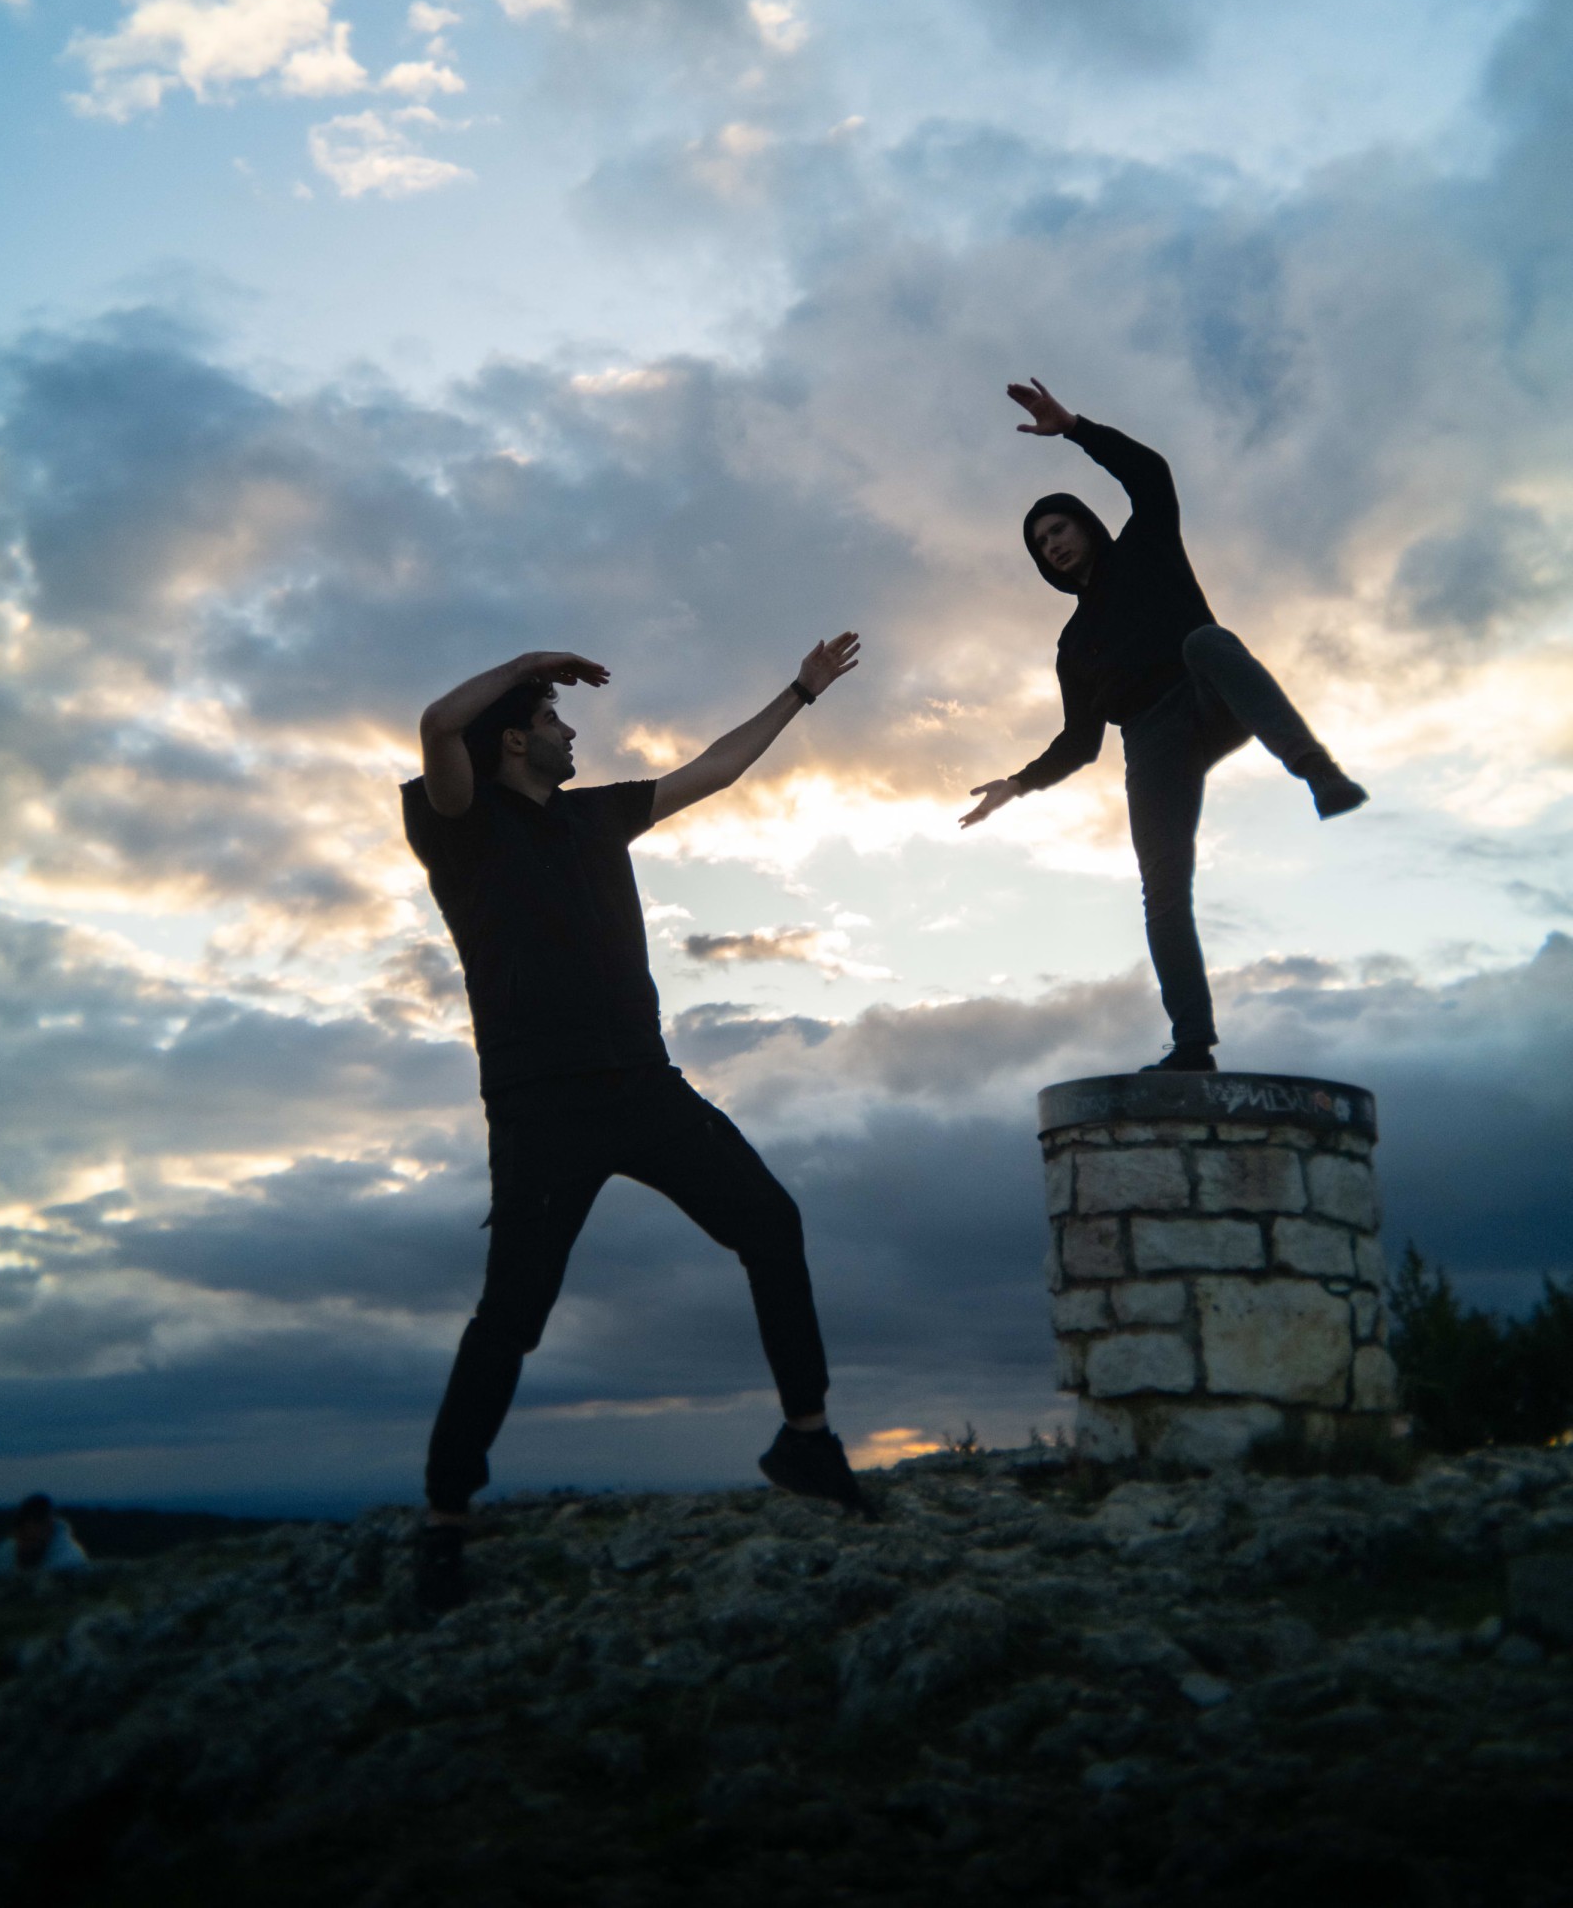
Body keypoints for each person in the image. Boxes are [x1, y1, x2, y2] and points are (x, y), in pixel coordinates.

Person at [402, 637, 872, 1609]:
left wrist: (799, 692)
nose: (571, 733)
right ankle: (445, 1520)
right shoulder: (459, 823)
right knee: (512, 1318)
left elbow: (712, 769)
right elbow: (440, 725)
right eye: (552, 721)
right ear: (515, 742)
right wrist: (528, 662)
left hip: (645, 1089)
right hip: (539, 1105)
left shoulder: (595, 817)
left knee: (769, 1225)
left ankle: (807, 1441)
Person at [961, 380, 1367, 1074]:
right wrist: (1018, 783)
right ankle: (1192, 1045)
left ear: (1084, 525)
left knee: (1208, 641)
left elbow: (1150, 474)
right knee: (1161, 887)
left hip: (1209, 694)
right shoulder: (1074, 644)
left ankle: (1319, 772)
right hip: (1151, 743)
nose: (1053, 544)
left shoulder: (1146, 544)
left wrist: (1076, 428)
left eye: (1059, 528)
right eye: (1041, 543)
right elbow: (1079, 743)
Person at [0, 1493, 88, 1574]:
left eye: (32, 1539)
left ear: (48, 1529)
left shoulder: (69, 1557)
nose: (25, 1545)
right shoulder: (5, 1551)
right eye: (22, 1537)